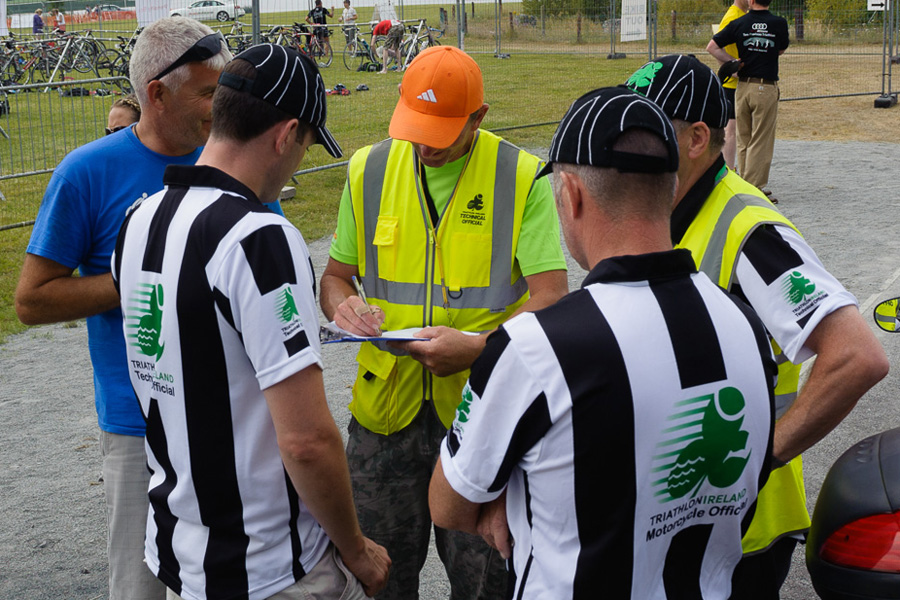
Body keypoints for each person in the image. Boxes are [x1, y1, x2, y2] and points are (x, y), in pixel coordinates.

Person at [430, 85, 778, 600]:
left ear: (570, 195)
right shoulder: (746, 327)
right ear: (671, 184)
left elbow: (450, 503)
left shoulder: (534, 346)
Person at [110, 43, 390, 600]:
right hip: (268, 565)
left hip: (183, 553)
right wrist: (356, 548)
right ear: (286, 135)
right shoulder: (259, 235)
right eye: (305, 147)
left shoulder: (138, 219)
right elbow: (307, 439)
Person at [625, 54, 889, 599]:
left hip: (740, 533)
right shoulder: (670, 214)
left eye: (646, 132)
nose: (626, 149)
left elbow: (856, 355)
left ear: (698, 138)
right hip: (682, 522)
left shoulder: (749, 229)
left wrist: (762, 458)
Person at [319, 45, 568, 599]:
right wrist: (342, 305)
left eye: (442, 130)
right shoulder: (368, 168)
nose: (425, 145)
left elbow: (550, 298)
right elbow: (335, 277)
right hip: (384, 412)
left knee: (486, 581)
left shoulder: (522, 177)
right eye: (416, 126)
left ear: (479, 117)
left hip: (483, 411)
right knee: (379, 576)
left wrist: (479, 348)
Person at [14, 17, 234, 600]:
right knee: (139, 587)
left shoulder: (234, 163)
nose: (221, 106)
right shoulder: (87, 172)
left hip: (230, 418)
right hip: (138, 425)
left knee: (229, 579)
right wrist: (143, 274)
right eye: (209, 92)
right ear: (157, 94)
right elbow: (31, 300)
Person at [707, 0, 789, 198]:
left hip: (742, 87)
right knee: (761, 138)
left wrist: (733, 63)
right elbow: (780, 49)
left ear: (751, 1)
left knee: (744, 138)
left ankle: (742, 183)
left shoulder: (740, 22)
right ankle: (753, 189)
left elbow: (712, 46)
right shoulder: (779, 23)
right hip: (765, 86)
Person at [713, 0, 748, 170]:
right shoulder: (732, 16)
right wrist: (731, 65)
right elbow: (714, 47)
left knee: (739, 130)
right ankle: (728, 168)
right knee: (731, 129)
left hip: (741, 84)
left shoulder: (744, 15)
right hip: (732, 85)